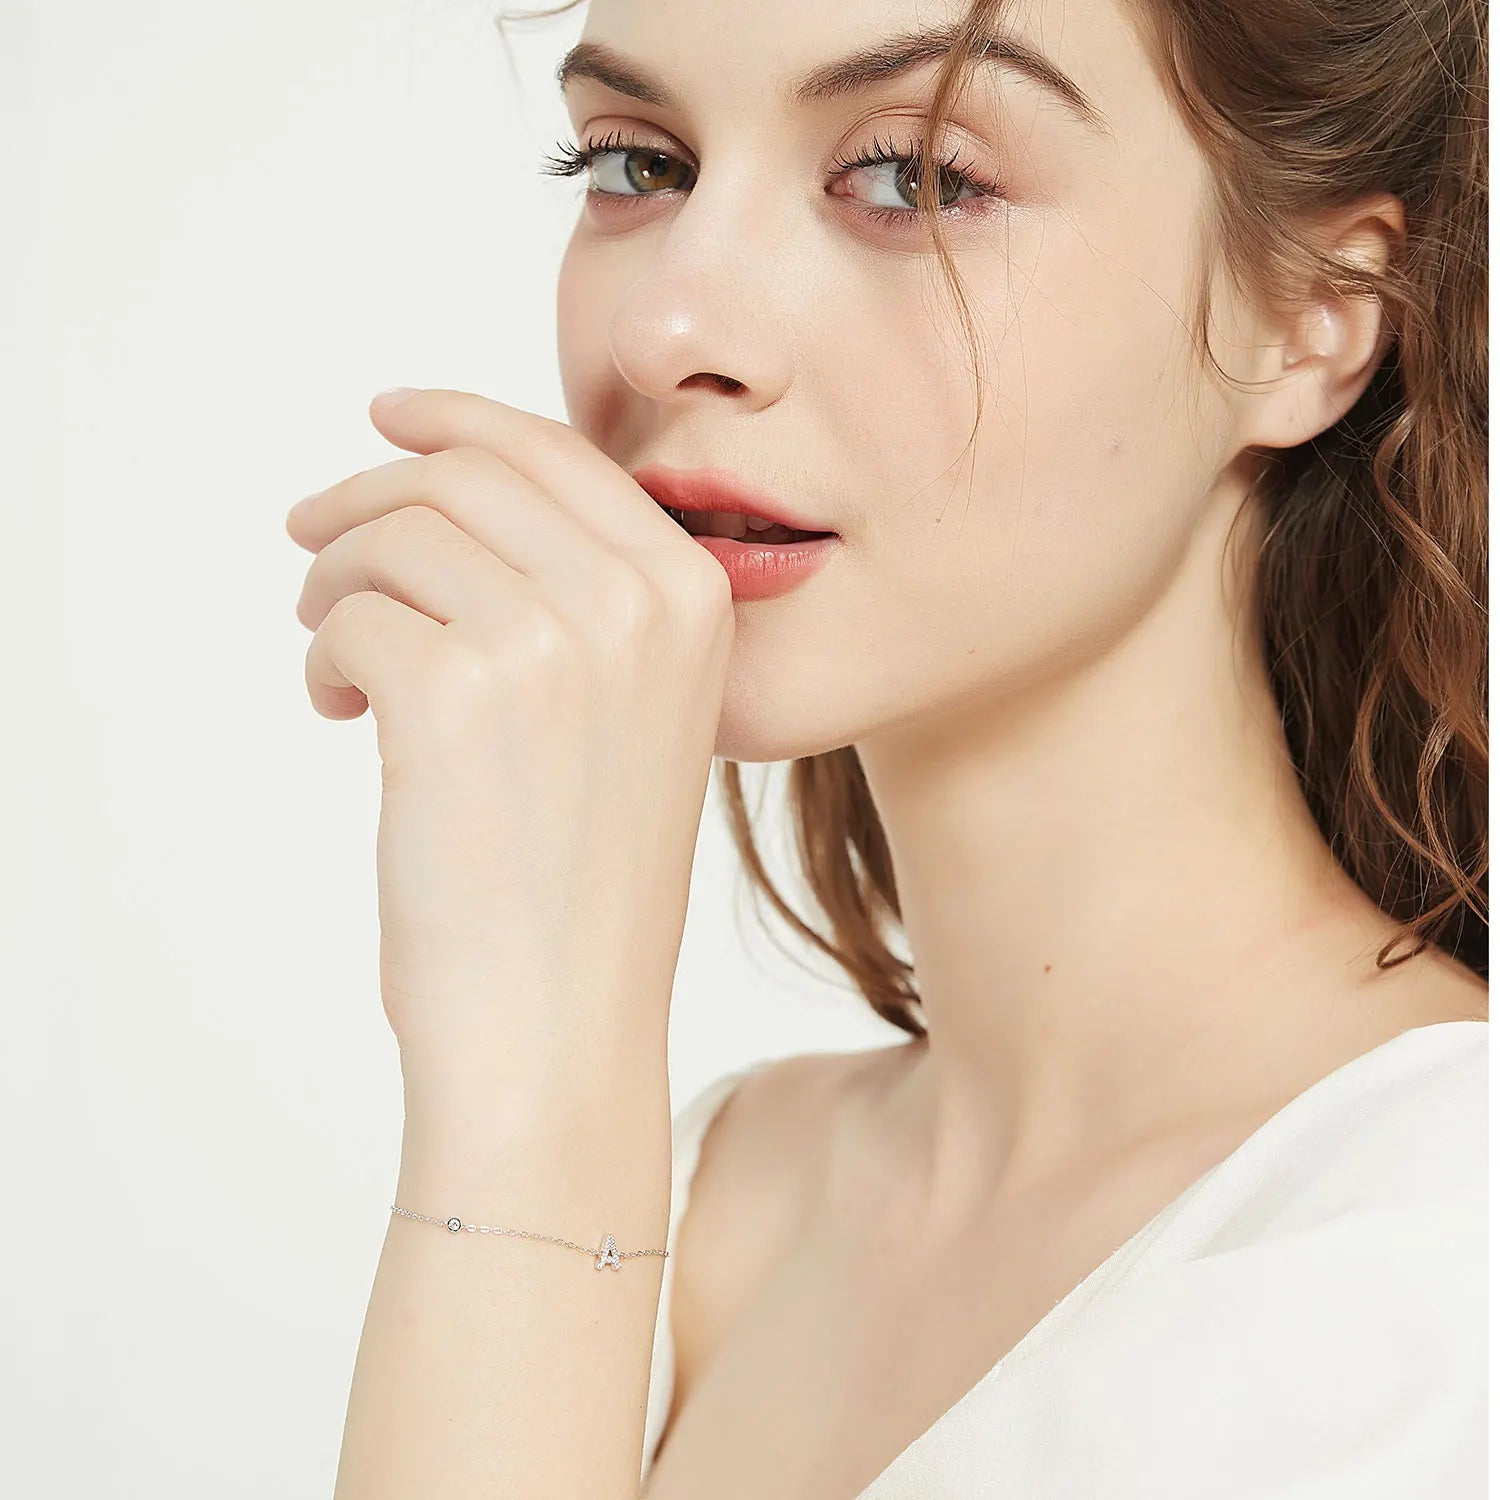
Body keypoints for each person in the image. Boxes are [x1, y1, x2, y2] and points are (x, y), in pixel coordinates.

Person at [295, 0, 1488, 1494]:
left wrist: (541, 1113)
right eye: (637, 165)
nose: (670, 328)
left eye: (916, 176)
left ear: (1311, 312)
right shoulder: (715, 1191)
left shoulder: (1439, 1272)